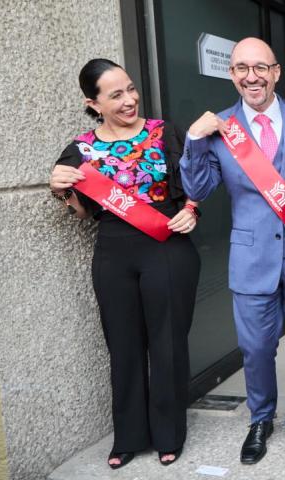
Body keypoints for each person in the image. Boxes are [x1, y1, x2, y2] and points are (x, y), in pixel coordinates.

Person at [180, 38, 285, 477]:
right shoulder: (220, 126)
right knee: (255, 349)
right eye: (242, 68)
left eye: (260, 67)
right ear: (232, 74)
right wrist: (194, 139)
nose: (252, 76)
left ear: (276, 72)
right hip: (251, 259)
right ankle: (260, 419)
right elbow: (198, 190)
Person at [49, 58, 201, 469]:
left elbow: (196, 183)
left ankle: (169, 433)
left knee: (168, 345)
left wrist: (192, 210)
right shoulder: (80, 150)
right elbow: (82, 213)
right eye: (116, 95)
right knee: (124, 346)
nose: (130, 99)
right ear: (93, 103)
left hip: (167, 246)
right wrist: (62, 190)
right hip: (114, 252)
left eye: (131, 89)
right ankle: (129, 436)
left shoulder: (165, 132)